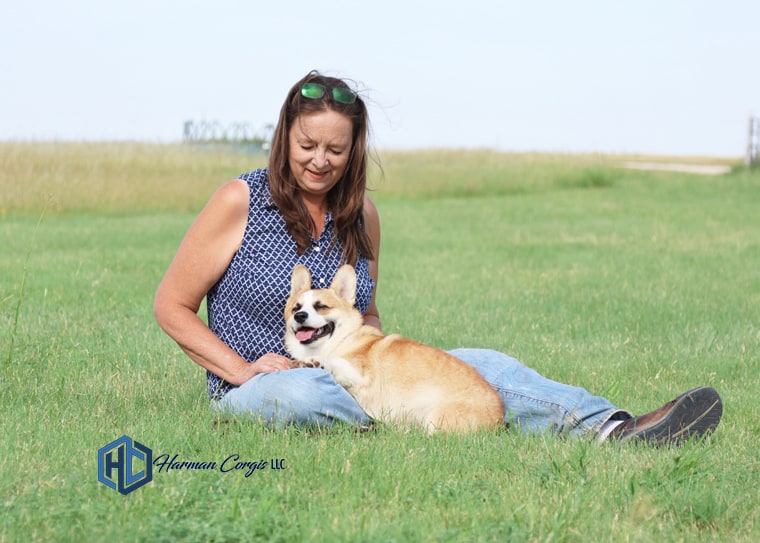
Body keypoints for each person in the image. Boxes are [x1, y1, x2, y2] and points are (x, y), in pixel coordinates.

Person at [154, 70, 722, 445]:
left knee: (482, 365)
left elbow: (367, 317)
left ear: (355, 150)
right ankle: (423, 418)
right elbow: (171, 306)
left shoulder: (362, 217)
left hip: (356, 372)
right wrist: (242, 370)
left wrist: (399, 365)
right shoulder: (241, 200)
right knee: (303, 393)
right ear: (284, 138)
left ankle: (613, 429)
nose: (319, 161)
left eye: (335, 148)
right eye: (306, 146)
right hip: (263, 385)